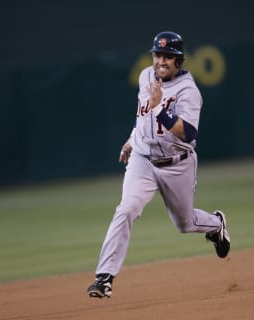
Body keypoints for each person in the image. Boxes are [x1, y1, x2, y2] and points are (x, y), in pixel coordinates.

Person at [87, 31, 230, 298]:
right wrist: (131, 140)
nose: (161, 61)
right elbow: (142, 116)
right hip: (142, 159)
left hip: (177, 164)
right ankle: (104, 277)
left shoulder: (189, 92)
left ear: (179, 60)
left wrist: (159, 110)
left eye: (168, 56)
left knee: (184, 224)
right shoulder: (145, 76)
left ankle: (216, 225)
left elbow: (188, 133)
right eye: (157, 55)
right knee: (126, 208)